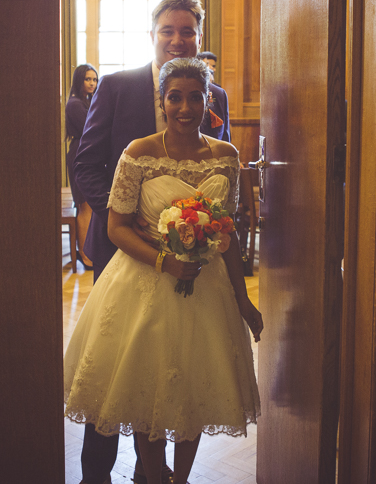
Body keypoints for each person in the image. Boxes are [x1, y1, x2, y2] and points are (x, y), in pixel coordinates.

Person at [65, 58, 263, 484]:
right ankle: (151, 476)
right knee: (148, 388)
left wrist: (244, 299)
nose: (185, 107)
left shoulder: (226, 156)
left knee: (193, 389)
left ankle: (182, 479)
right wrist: (165, 260)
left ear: (208, 102)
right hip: (144, 281)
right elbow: (116, 227)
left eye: (195, 97)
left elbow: (226, 230)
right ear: (163, 101)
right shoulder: (139, 153)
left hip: (206, 288)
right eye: (175, 97)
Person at [66, 63, 98, 270]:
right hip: (79, 153)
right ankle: (85, 256)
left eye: (94, 79)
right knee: (84, 205)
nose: (92, 83)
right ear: (79, 80)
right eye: (88, 79)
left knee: (87, 205)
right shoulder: (75, 104)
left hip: (86, 153)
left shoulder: (86, 102)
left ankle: (86, 252)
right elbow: (90, 129)